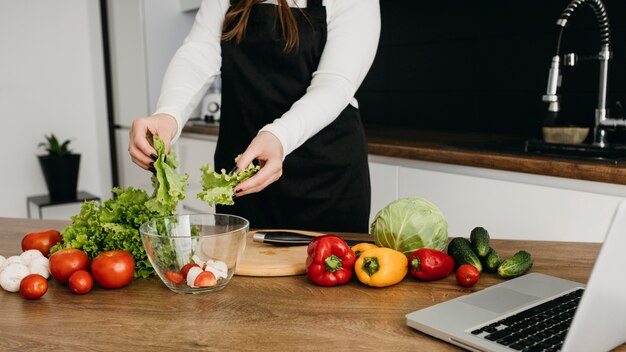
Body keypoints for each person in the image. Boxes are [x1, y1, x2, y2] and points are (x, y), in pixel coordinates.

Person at [128, 0, 381, 233]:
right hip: (244, 175)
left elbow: (334, 83)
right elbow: (198, 52)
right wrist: (168, 113)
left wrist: (278, 136)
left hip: (326, 177)